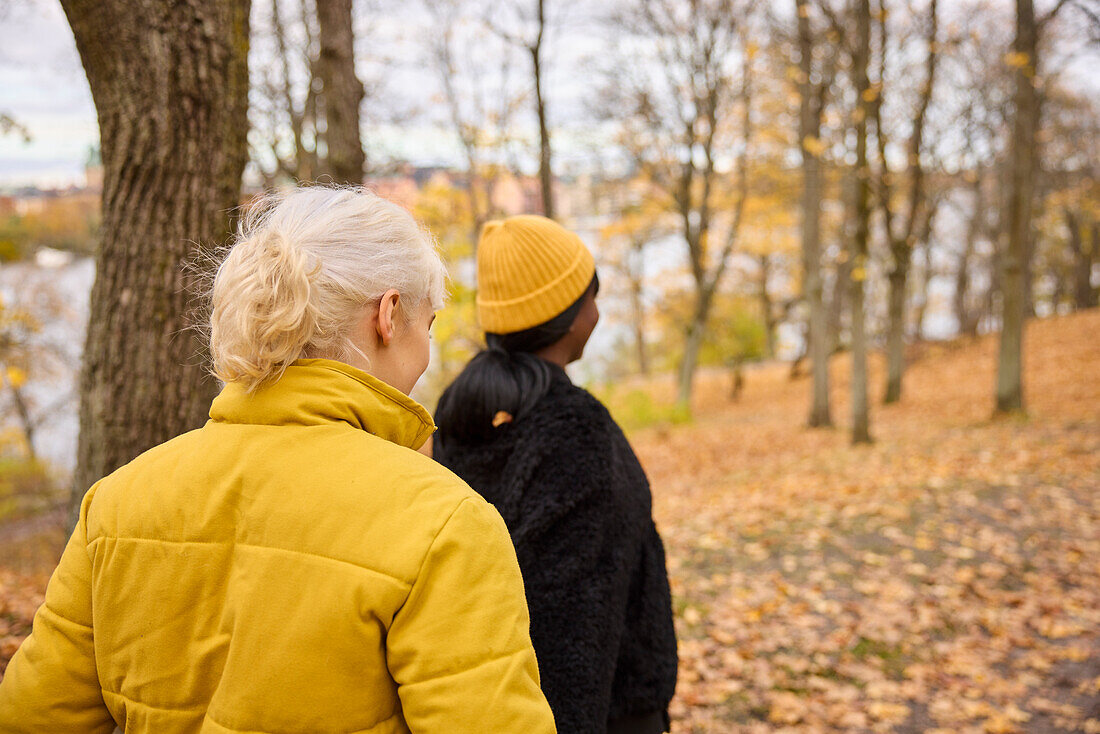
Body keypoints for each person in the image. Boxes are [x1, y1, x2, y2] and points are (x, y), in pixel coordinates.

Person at [0, 187, 556, 734]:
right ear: (388, 316)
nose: (426, 355)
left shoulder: (116, 504)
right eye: (427, 325)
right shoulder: (444, 523)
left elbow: (32, 717)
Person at [433, 215, 678, 734]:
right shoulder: (576, 432)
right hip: (608, 712)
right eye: (592, 295)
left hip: (492, 704)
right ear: (569, 316)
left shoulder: (463, 418)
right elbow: (570, 624)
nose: (599, 310)